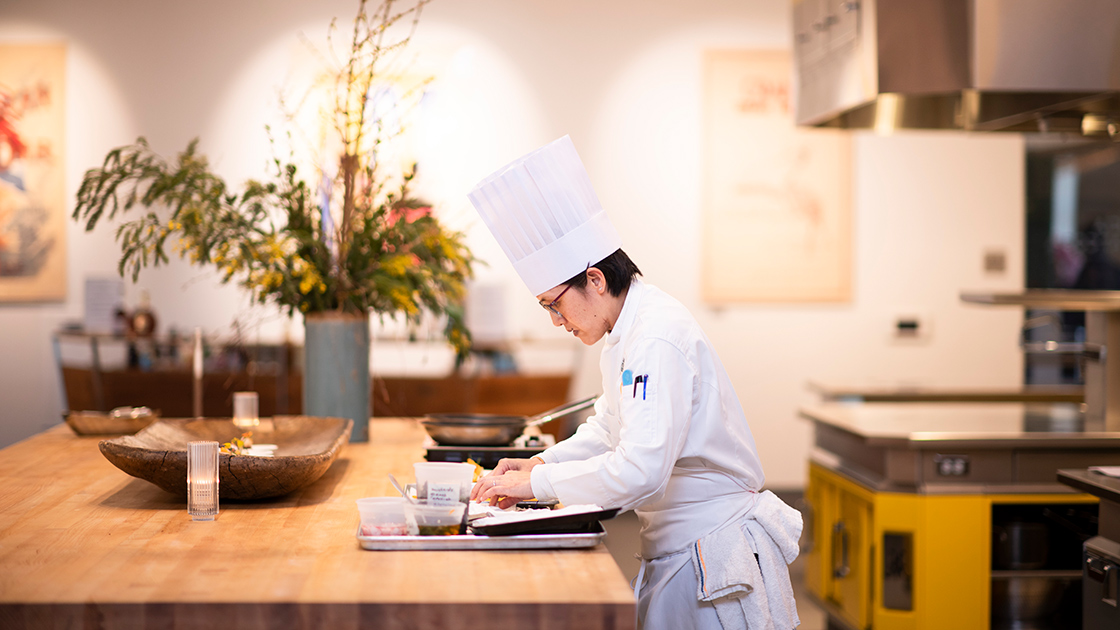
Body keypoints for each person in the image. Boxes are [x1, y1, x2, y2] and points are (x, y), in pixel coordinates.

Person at [467, 136, 801, 630]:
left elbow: (642, 469)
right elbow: (609, 428)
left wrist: (534, 484)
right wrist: (542, 460)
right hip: (678, 552)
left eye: (553, 304)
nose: (556, 321)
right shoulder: (622, 332)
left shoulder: (657, 335)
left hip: (715, 556)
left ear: (595, 280)